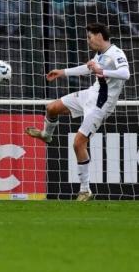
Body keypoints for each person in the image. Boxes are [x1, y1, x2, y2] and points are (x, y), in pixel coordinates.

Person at [25, 23, 130, 201]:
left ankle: (85, 190)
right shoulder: (100, 54)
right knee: (52, 108)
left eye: (90, 37)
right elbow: (87, 68)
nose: (88, 41)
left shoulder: (116, 53)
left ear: (99, 35)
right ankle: (46, 135)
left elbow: (126, 74)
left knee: (78, 143)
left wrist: (101, 70)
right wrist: (62, 72)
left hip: (101, 105)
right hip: (90, 94)